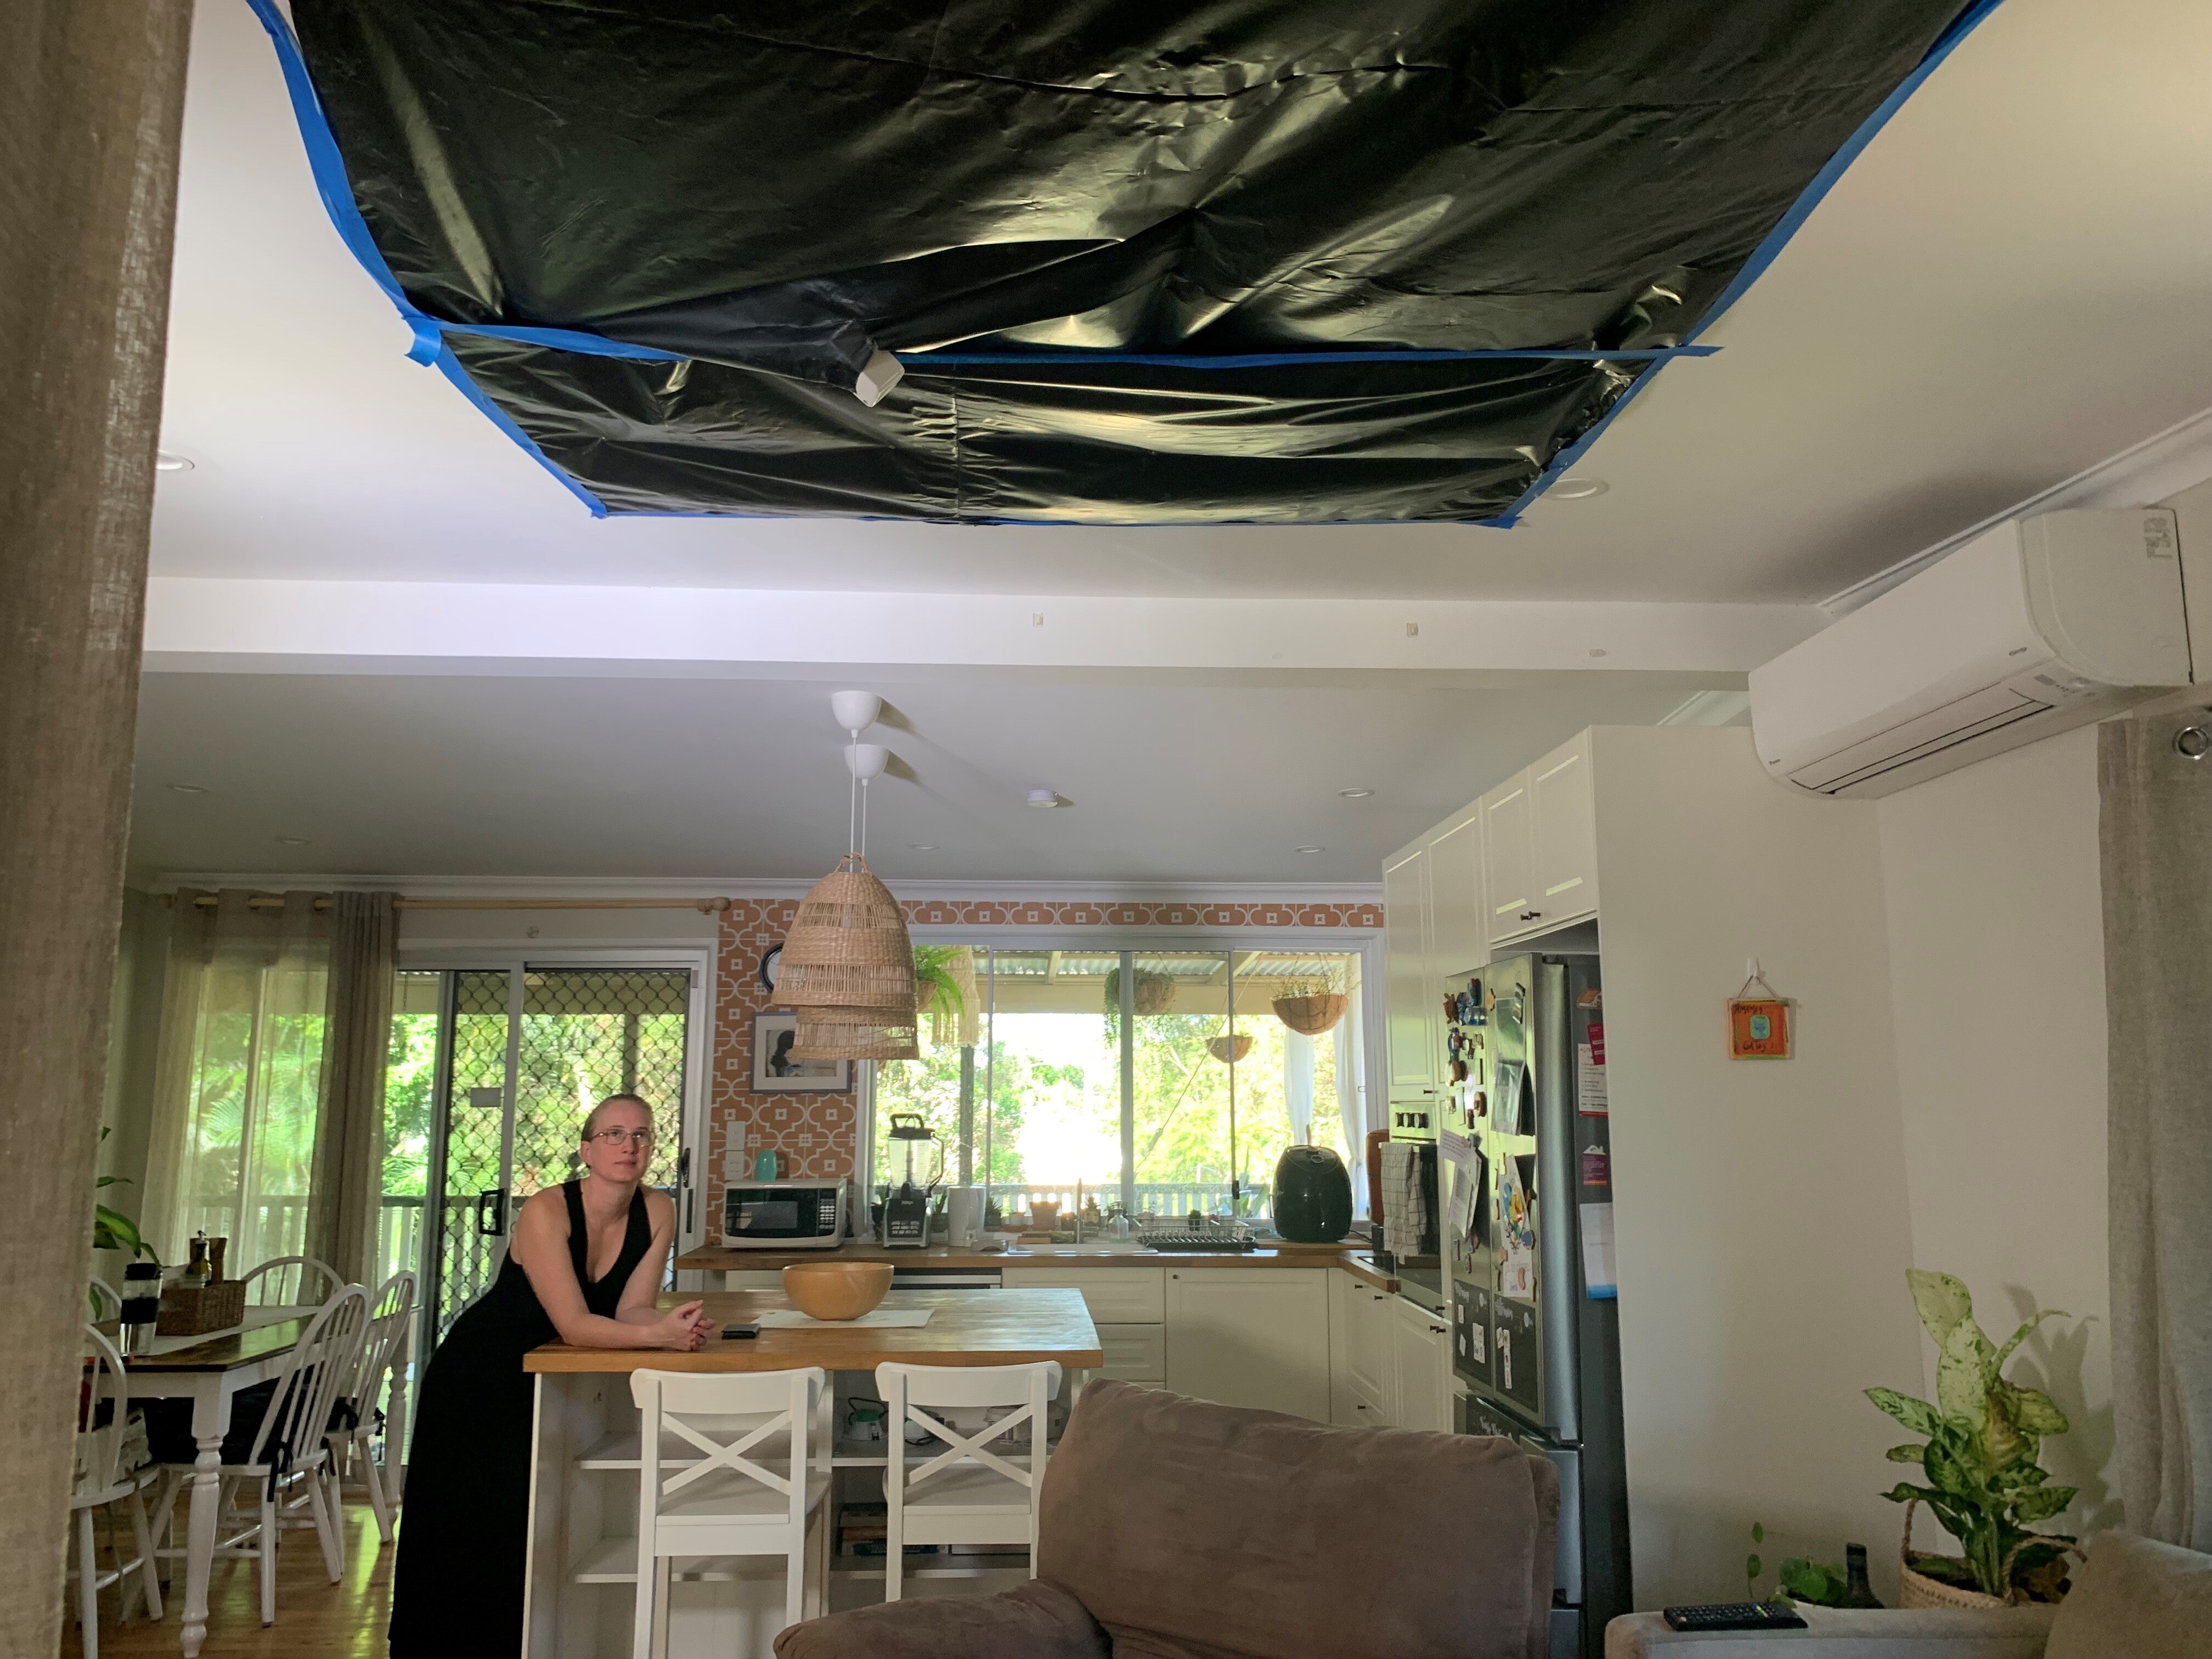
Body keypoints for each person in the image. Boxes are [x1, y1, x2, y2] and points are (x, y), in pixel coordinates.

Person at [389, 1093, 712, 1657]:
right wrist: (656, 1337)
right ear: (587, 1150)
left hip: (547, 1376)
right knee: (467, 1525)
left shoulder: (659, 1210)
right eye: (613, 1134)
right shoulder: (547, 1209)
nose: (628, 1146)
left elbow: (630, 1309)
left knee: (527, 1525)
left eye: (640, 1135)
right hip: (480, 1375)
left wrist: (668, 1324)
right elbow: (574, 1323)